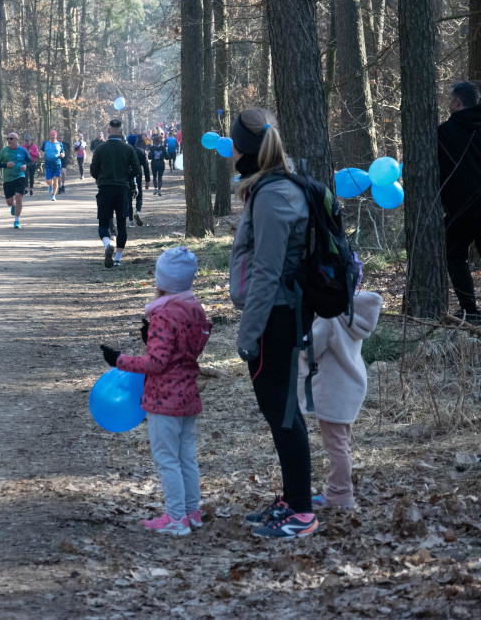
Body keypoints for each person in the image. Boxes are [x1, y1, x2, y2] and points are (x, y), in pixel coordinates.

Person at [228, 107, 318, 539]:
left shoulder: (273, 196)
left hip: (276, 316)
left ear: (245, 150)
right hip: (280, 312)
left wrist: (248, 335)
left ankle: (301, 510)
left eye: (233, 147)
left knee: (282, 412)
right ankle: (292, 498)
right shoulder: (273, 188)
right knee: (283, 409)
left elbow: (265, 271)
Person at [99, 247, 212, 535]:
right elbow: (185, 350)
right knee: (186, 456)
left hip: (164, 398)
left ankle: (176, 519)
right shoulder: (195, 309)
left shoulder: (163, 314)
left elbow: (158, 362)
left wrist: (120, 360)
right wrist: (151, 336)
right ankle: (191, 511)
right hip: (188, 394)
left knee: (167, 459)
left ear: (162, 281)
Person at [297, 285, 382, 510]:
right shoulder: (350, 313)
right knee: (342, 443)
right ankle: (337, 490)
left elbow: (310, 349)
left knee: (336, 445)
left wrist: (298, 336)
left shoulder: (329, 318)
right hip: (349, 386)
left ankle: (341, 494)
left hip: (332, 390)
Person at [437, 80, 481, 325]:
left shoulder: (444, 132)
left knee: (453, 255)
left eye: (450, 99)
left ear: (457, 102)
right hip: (465, 206)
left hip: (461, 208)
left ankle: (470, 311)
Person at [90, 118, 141, 268]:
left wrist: (101, 177)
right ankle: (118, 258)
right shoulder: (128, 149)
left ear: (108, 131)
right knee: (121, 224)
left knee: (103, 223)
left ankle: (107, 246)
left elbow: (93, 170)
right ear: (121, 132)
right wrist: (126, 177)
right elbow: (137, 170)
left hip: (105, 189)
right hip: (122, 190)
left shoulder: (100, 149)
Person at [0, 132, 31, 228]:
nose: (9, 141)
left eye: (11, 138)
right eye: (8, 139)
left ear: (16, 140)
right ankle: (13, 205)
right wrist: (5, 165)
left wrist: (25, 166)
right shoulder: (4, 151)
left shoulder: (22, 150)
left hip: (20, 177)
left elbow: (30, 161)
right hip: (7, 179)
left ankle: (17, 221)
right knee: (9, 202)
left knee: (18, 196)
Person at [126, 133, 150, 227]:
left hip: (127, 176)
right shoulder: (141, 151)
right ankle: (138, 212)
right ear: (136, 141)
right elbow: (146, 167)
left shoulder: (125, 151)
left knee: (128, 198)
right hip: (138, 175)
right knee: (139, 195)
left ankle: (131, 221)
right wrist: (147, 180)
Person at [42, 129, 65, 201]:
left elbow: (63, 152)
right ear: (49, 136)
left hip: (57, 164)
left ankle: (53, 195)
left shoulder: (59, 144)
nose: (52, 136)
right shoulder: (46, 143)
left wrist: (62, 155)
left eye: (53, 135)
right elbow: (42, 150)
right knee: (49, 181)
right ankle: (50, 185)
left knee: (56, 180)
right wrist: (43, 153)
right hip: (48, 164)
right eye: (51, 135)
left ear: (56, 136)